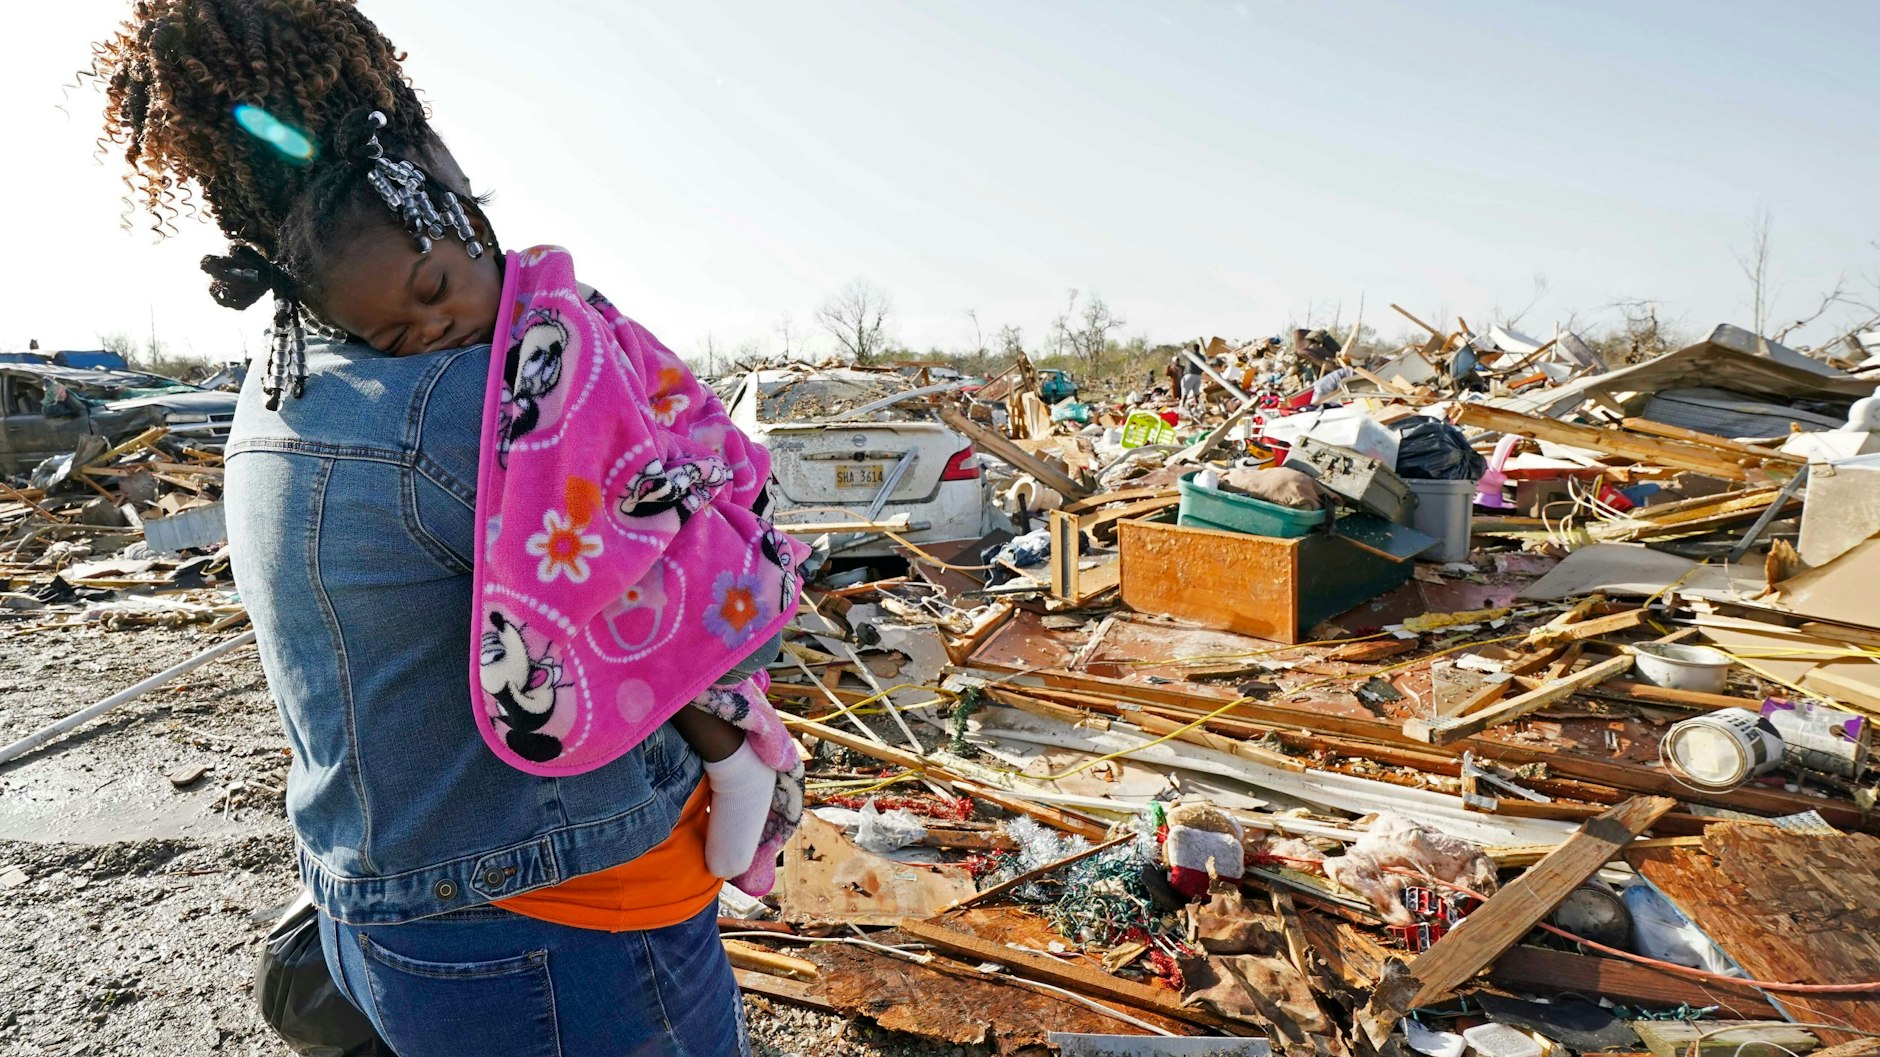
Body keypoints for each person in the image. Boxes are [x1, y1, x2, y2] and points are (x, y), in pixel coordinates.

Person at [92, 2, 756, 1053]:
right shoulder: (483, 405)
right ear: (416, 160)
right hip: (561, 925)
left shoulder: (290, 373)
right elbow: (689, 607)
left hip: (384, 907)